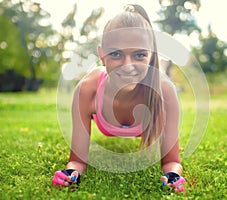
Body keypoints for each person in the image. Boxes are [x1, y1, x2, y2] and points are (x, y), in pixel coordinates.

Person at [52, 4, 186, 193]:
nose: (127, 66)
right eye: (116, 54)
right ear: (102, 55)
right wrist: (70, 173)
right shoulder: (87, 90)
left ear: (151, 56)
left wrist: (174, 176)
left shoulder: (165, 92)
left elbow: (172, 161)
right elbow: (77, 159)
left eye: (139, 55)